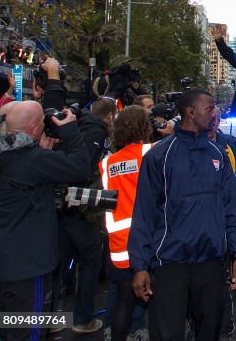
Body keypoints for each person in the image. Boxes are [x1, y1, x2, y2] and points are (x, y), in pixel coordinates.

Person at [128, 91, 236, 341]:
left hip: (210, 263)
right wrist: (140, 266)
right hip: (170, 264)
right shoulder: (159, 156)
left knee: (210, 332)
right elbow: (143, 213)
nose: (216, 114)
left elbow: (232, 208)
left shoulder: (219, 155)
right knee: (167, 334)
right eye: (210, 108)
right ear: (190, 112)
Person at [0, 102, 89, 341]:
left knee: (5, 330)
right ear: (34, 128)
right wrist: (70, 131)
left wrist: (42, 152)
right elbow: (81, 167)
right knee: (28, 334)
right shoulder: (33, 161)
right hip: (27, 267)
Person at [52, 97, 116, 334]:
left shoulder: (78, 128)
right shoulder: (95, 134)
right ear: (109, 116)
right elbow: (81, 168)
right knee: (90, 260)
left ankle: (50, 320)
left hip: (63, 205)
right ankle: (82, 319)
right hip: (79, 208)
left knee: (57, 264)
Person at [100, 106, 153, 341]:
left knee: (124, 300)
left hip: (119, 244)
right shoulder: (151, 151)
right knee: (161, 301)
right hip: (149, 240)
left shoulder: (107, 163)